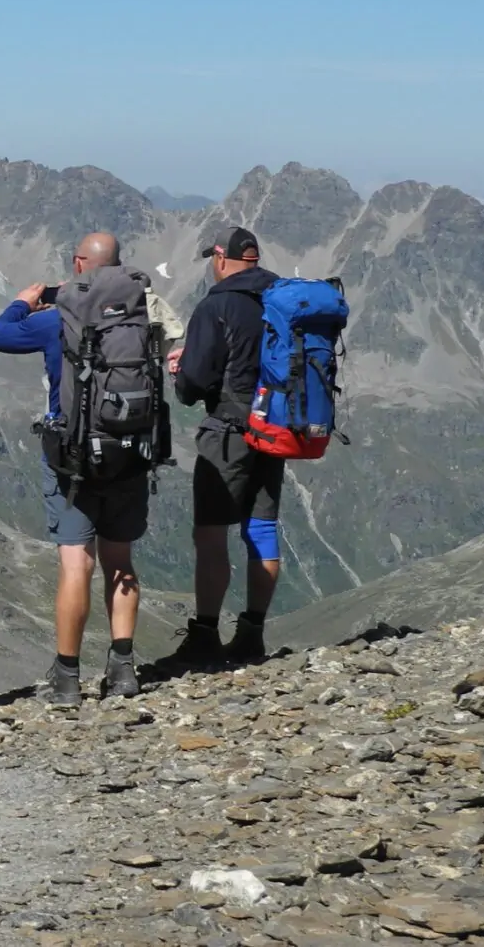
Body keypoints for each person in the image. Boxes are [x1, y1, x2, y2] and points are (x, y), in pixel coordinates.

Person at [0, 232, 182, 704]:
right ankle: (123, 670)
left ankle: (68, 678)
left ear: (77, 264)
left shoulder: (58, 319)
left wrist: (21, 302)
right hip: (132, 451)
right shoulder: (146, 313)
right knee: (121, 563)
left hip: (73, 458)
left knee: (77, 563)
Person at [168, 226, 283, 663]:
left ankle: (205, 636)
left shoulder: (217, 305)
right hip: (275, 429)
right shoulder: (279, 296)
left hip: (230, 431)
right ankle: (252, 634)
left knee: (212, 533)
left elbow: (195, 382)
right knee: (262, 528)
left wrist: (178, 373)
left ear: (220, 258)